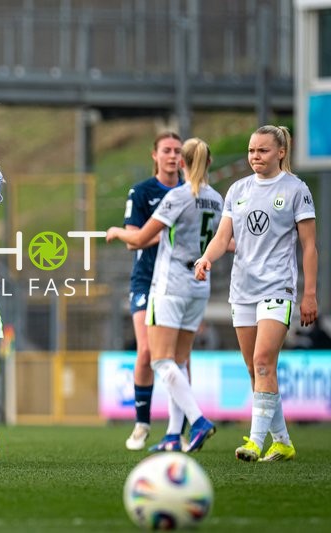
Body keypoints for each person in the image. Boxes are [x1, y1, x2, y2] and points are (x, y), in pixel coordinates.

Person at [195, 125, 317, 462]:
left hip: (278, 286)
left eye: (262, 151)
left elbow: (309, 247)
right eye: (251, 151)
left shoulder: (296, 190)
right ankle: (283, 441)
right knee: (254, 369)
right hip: (242, 289)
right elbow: (223, 238)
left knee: (264, 361)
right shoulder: (237, 189)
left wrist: (310, 294)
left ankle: (255, 442)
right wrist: (206, 258)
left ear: (280, 152)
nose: (255, 157)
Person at [107, 137, 222, 453]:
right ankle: (173, 435)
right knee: (181, 360)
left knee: (160, 360)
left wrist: (117, 232)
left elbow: (141, 238)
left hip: (170, 286)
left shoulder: (177, 197)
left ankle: (197, 420)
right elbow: (224, 241)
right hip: (199, 286)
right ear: (209, 163)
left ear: (183, 163)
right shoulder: (216, 199)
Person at [122, 132, 183, 450]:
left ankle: (181, 427)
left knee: (180, 357)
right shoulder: (143, 191)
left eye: (178, 151)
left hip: (182, 282)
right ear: (154, 155)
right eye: (167, 151)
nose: (173, 156)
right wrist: (172, 237)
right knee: (146, 351)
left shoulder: (192, 191)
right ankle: (142, 423)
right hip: (146, 279)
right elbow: (135, 237)